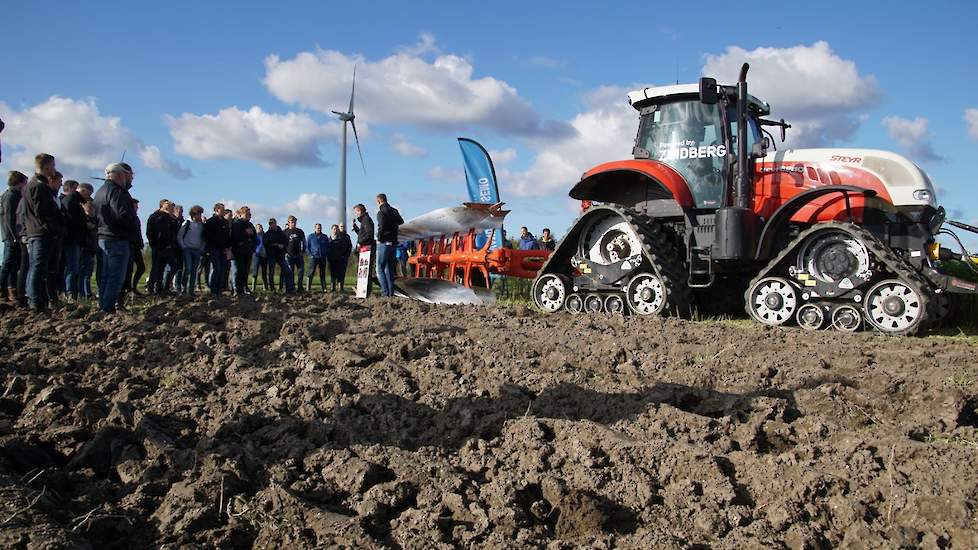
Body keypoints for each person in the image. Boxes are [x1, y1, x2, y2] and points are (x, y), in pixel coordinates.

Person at [92, 162, 139, 313]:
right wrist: (132, 228)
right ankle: (108, 308)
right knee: (115, 277)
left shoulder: (100, 191)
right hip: (116, 238)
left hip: (103, 236)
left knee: (105, 275)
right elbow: (122, 215)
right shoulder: (117, 192)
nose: (130, 178)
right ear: (120, 175)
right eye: (129, 175)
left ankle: (103, 306)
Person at [23, 154, 66, 312]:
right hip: (41, 233)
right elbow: (42, 213)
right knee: (38, 267)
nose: (54, 170)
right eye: (53, 166)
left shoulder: (35, 185)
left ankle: (39, 299)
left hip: (39, 232)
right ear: (47, 167)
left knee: (40, 267)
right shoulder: (38, 186)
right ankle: (35, 302)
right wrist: (54, 231)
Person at [0, 171, 27, 302]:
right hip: (11, 236)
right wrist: (14, 235)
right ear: (20, 183)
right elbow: (10, 217)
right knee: (8, 262)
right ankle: (3, 289)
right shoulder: (11, 196)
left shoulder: (14, 195)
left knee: (14, 263)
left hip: (12, 235)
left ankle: (12, 289)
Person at [60, 180, 87, 300]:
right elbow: (72, 221)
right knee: (72, 268)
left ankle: (70, 292)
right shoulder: (71, 202)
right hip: (72, 239)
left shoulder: (72, 201)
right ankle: (70, 293)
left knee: (73, 268)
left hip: (74, 239)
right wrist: (85, 225)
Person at [146, 199, 179, 295]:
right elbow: (150, 232)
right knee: (156, 268)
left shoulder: (170, 219)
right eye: (169, 208)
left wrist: (175, 220)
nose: (171, 210)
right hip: (158, 246)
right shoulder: (155, 217)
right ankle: (152, 288)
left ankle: (162, 288)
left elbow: (174, 232)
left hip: (168, 247)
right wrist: (153, 244)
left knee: (167, 267)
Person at [374, 193, 403, 298]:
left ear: (378, 201)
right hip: (393, 243)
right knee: (390, 268)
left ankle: (384, 292)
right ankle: (391, 292)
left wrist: (379, 238)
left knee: (380, 268)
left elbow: (381, 227)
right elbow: (401, 221)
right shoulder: (394, 211)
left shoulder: (381, 212)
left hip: (384, 243)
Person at [203, 203, 231, 295]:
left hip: (223, 250)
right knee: (216, 269)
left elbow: (227, 236)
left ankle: (219, 289)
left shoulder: (225, 222)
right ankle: (213, 290)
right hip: (214, 248)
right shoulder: (211, 221)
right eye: (222, 209)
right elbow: (207, 236)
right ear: (216, 210)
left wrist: (227, 247)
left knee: (222, 270)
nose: (223, 211)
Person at [177, 205, 206, 296]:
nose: (200, 216)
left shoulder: (202, 225)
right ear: (194, 214)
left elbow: (204, 238)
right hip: (188, 249)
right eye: (198, 214)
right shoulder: (187, 223)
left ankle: (191, 290)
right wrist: (184, 246)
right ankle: (183, 288)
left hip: (197, 250)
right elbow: (180, 236)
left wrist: (202, 248)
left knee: (194, 270)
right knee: (188, 268)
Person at [230, 206, 257, 296]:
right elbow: (235, 237)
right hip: (239, 251)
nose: (249, 216)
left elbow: (255, 237)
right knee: (239, 271)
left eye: (250, 214)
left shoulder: (250, 225)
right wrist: (246, 233)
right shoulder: (237, 224)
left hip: (248, 250)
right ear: (241, 214)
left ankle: (244, 288)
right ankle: (238, 289)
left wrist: (253, 247)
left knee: (246, 270)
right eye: (247, 214)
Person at [263, 217, 292, 293]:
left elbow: (286, 241)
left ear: (275, 223)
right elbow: (266, 244)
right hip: (271, 255)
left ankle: (288, 289)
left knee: (287, 271)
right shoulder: (267, 234)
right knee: (271, 272)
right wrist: (276, 245)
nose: (272, 225)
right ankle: (272, 289)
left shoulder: (281, 233)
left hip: (280, 255)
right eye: (270, 224)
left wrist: (283, 246)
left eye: (273, 223)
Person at [352, 204, 375, 294]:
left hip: (366, 248)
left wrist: (360, 243)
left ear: (359, 211)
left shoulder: (366, 220)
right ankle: (362, 289)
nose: (356, 214)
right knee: (363, 270)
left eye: (356, 212)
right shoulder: (364, 220)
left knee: (366, 270)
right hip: (364, 248)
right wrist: (357, 229)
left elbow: (369, 235)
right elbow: (364, 234)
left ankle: (366, 290)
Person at [79, 197, 97, 300]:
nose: (92, 209)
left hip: (91, 248)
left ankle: (87, 292)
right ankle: (84, 293)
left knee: (88, 273)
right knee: (84, 272)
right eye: (90, 207)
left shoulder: (93, 220)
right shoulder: (83, 220)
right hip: (85, 248)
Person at [283, 216, 306, 292]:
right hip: (289, 255)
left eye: (295, 222)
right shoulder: (285, 232)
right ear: (288, 222)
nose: (294, 224)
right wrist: (285, 253)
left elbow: (303, 242)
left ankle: (300, 287)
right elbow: (283, 244)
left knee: (301, 271)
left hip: (298, 255)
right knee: (290, 272)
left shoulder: (300, 231)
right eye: (292, 222)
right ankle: (290, 288)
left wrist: (303, 251)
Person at [306, 223, 330, 292]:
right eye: (317, 228)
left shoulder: (325, 237)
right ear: (315, 228)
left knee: (322, 274)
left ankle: (324, 288)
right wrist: (310, 255)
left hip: (322, 257)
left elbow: (328, 247)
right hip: (313, 257)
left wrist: (325, 254)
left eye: (320, 228)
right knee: (311, 273)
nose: (319, 229)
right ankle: (308, 288)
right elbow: (308, 247)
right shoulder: (311, 236)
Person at [328, 223, 351, 291]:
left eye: (336, 229)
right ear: (331, 230)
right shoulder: (328, 239)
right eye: (334, 229)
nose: (335, 230)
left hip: (339, 259)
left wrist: (343, 256)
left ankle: (340, 286)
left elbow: (345, 248)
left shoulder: (341, 239)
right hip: (331, 259)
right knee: (332, 273)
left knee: (340, 273)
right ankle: (332, 287)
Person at [251, 223, 269, 292]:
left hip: (264, 256)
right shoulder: (254, 236)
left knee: (264, 272)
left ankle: (265, 287)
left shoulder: (265, 236)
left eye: (261, 227)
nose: (260, 229)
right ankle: (253, 288)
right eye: (258, 228)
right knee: (255, 272)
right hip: (256, 255)